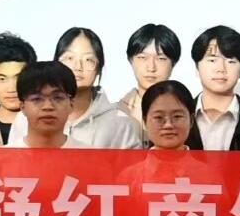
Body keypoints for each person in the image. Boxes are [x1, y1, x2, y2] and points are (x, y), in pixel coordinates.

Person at [8, 27, 142, 148]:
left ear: (99, 67)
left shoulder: (119, 123)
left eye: (88, 59)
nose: (78, 67)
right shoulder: (25, 119)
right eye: (69, 58)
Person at [187, 24, 240, 151]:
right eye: (212, 60)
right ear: (196, 67)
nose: (221, 69)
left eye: (231, 61)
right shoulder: (176, 121)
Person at [5, 61, 87, 149]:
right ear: (22, 107)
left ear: (71, 105)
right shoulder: (1, 156)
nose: (48, 107)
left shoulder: (91, 155)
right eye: (37, 99)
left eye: (58, 98)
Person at [119, 23, 181, 122]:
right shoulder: (114, 113)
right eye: (142, 57)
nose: (151, 68)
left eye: (161, 58)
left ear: (173, 63)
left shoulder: (187, 111)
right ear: (131, 60)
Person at [142, 81, 196, 151]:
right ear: (145, 121)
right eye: (159, 117)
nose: (168, 125)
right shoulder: (130, 158)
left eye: (177, 116)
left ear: (191, 120)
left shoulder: (209, 158)